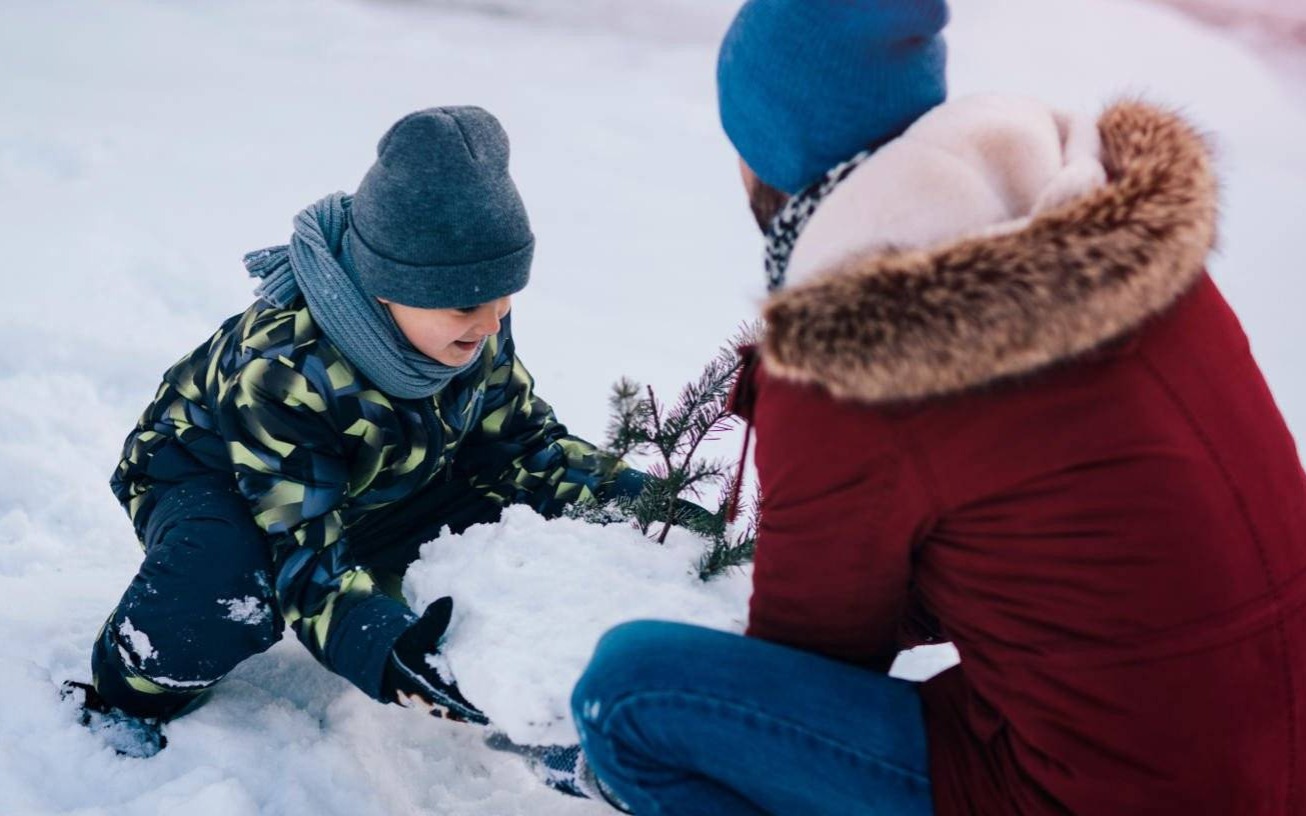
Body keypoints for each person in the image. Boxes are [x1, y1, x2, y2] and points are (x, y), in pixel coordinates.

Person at [571, 1, 1306, 814]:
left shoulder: (861, 363)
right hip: (1270, 743)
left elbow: (814, 661)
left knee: (633, 699)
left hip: (1113, 789)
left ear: (764, 160)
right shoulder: (1117, 243)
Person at [67, 106, 648, 757]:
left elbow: (522, 443)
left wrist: (649, 508)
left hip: (377, 479)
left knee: (517, 517)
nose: (491, 323)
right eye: (468, 305)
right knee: (234, 579)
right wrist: (381, 647)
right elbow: (299, 542)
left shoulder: (463, 328)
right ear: (389, 287)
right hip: (221, 480)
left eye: (505, 298)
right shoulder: (288, 364)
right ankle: (137, 680)